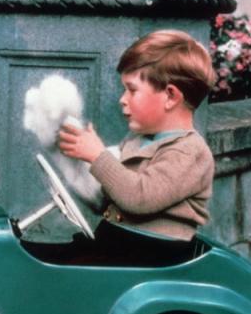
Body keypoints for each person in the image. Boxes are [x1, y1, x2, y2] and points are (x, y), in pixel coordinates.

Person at [58, 30, 216, 242]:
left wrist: (97, 156)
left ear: (170, 96)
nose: (123, 99)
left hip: (153, 255)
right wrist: (75, 168)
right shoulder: (136, 139)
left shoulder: (190, 152)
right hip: (124, 245)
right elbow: (110, 194)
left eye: (132, 90)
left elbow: (139, 197)